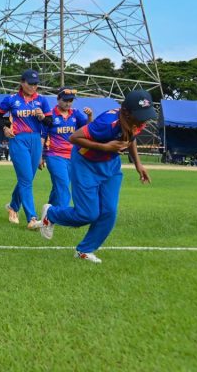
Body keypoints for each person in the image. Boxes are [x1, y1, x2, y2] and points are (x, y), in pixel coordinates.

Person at [38, 90, 156, 263]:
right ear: (126, 112)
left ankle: (84, 250)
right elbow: (74, 137)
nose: (144, 120)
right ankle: (51, 214)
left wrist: (138, 164)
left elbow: (131, 137)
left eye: (146, 115)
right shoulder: (107, 122)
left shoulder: (137, 121)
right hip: (86, 164)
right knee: (87, 214)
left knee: (109, 212)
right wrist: (106, 147)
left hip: (111, 166)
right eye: (140, 116)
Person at [0, 69, 52, 229]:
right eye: (30, 84)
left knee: (27, 178)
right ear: (22, 83)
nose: (33, 87)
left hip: (35, 139)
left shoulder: (42, 100)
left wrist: (42, 117)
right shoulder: (11, 99)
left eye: (36, 84)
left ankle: (13, 206)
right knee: (26, 179)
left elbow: (50, 122)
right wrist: (5, 128)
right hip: (18, 139)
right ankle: (32, 218)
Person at [41, 87, 93, 208]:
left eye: (70, 100)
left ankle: (49, 210)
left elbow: (88, 129)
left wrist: (90, 116)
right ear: (58, 99)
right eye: (65, 100)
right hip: (54, 155)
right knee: (63, 184)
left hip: (72, 156)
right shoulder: (50, 115)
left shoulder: (75, 113)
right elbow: (42, 137)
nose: (68, 103)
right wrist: (40, 157)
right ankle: (64, 212)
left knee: (59, 186)